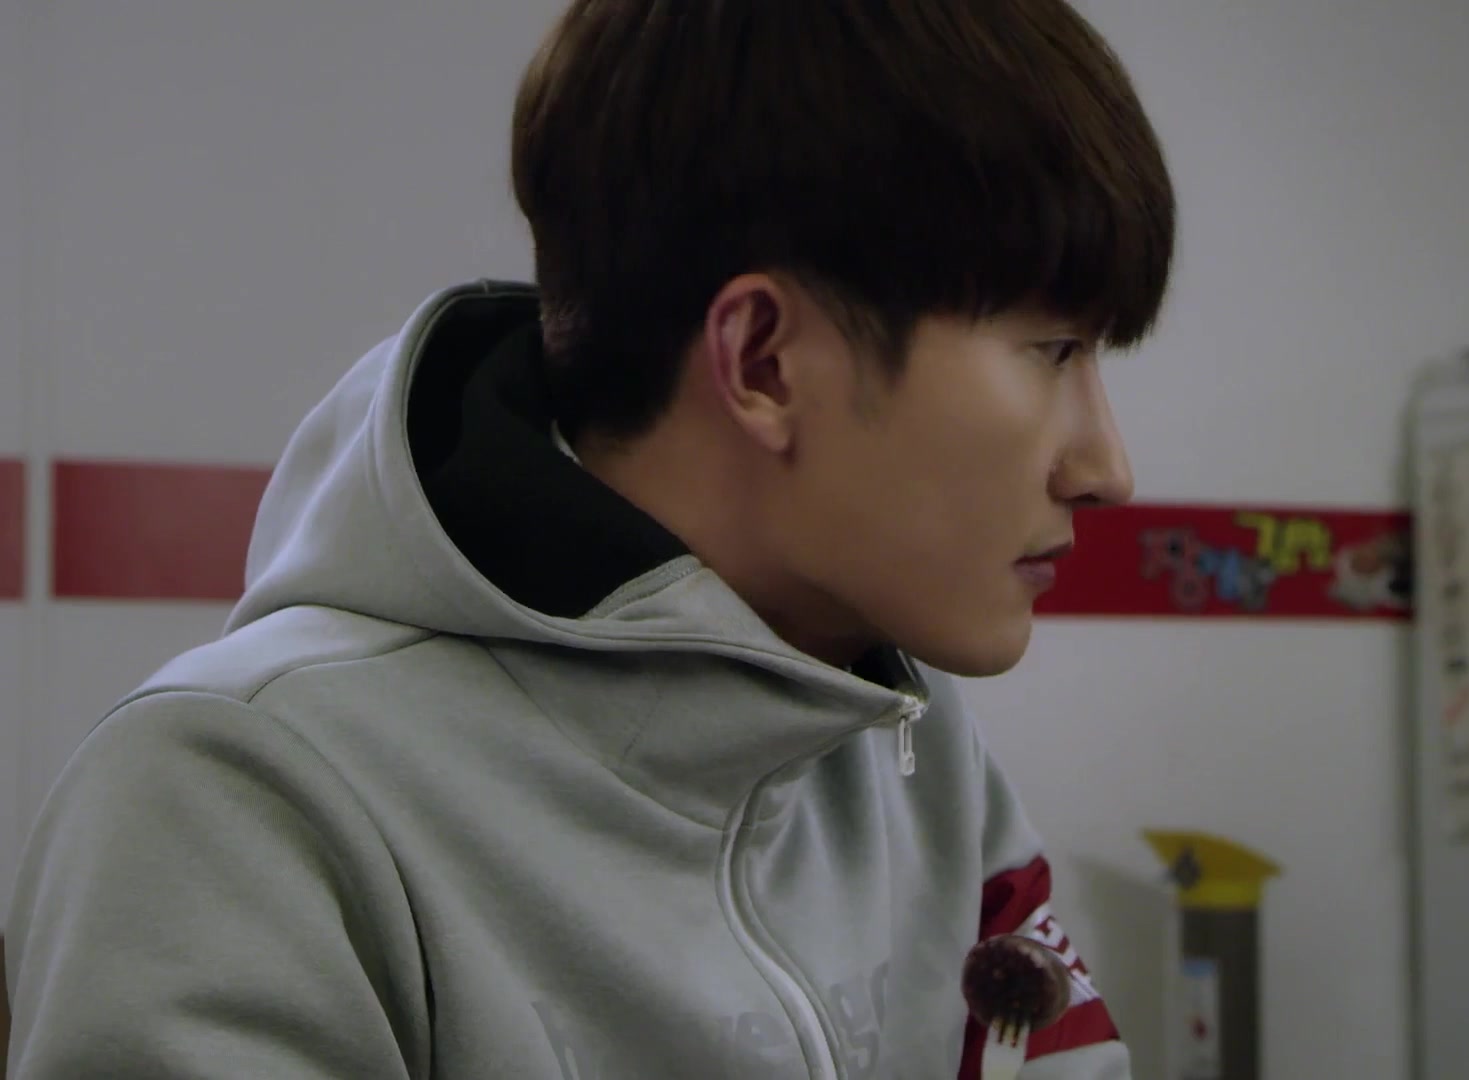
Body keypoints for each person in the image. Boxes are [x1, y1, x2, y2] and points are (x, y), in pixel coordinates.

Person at [3, 0, 1174, 1075]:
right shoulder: (240, 797)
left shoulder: (915, 754)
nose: (1106, 468)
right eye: (1054, 351)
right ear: (764, 361)